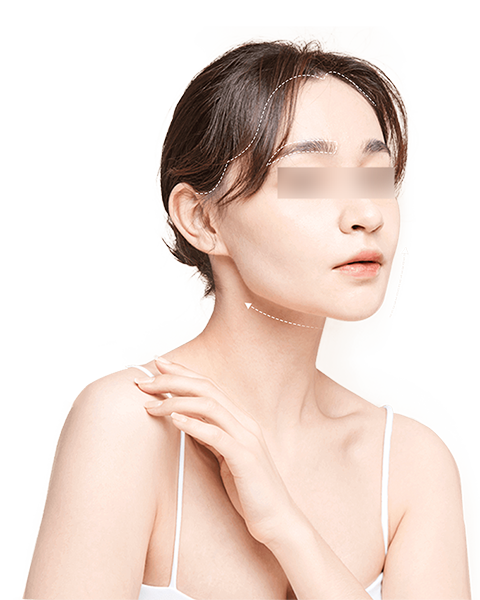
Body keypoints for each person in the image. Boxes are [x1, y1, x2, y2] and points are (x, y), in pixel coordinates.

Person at [23, 39, 471, 600]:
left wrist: (287, 529)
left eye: (376, 177)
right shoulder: (131, 425)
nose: (366, 214)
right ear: (202, 219)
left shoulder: (410, 464)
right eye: (308, 180)